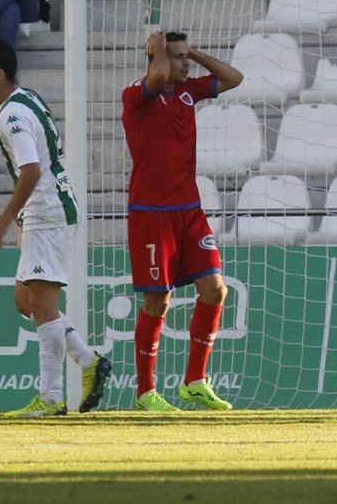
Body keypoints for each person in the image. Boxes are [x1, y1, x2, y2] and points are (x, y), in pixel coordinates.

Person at [0, 38, 111, 418]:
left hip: (47, 214)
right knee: (24, 301)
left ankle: (50, 399)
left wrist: (1, 219)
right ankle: (87, 359)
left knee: (43, 309)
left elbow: (31, 170)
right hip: (45, 212)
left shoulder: (10, 116)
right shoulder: (26, 99)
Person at [122, 31, 243, 412]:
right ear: (157, 57)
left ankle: (194, 381)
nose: (185, 63)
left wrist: (194, 53)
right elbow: (156, 78)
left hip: (190, 211)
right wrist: (158, 53)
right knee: (158, 302)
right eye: (178, 57)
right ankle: (145, 392)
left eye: (185, 56)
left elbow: (233, 78)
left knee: (215, 289)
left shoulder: (188, 91)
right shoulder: (136, 95)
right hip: (151, 215)